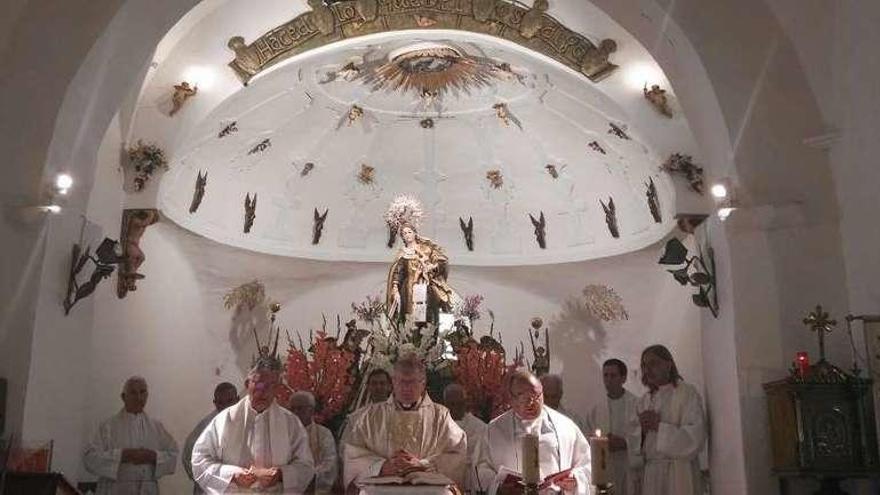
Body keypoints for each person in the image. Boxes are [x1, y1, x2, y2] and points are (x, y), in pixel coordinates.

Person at [191, 352, 315, 493]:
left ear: (278, 388)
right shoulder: (224, 420)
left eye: (271, 386)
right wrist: (231, 475)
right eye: (260, 385)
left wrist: (281, 474)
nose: (265, 392)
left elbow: (306, 465)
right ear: (247, 383)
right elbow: (199, 460)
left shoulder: (290, 423)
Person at [344, 353, 467, 492]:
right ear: (393, 382)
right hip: (381, 485)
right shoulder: (370, 416)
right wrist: (382, 466)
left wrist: (424, 464)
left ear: (423, 383)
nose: (406, 388)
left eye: (412, 382)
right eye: (402, 381)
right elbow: (353, 452)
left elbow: (457, 451)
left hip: (428, 485)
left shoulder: (441, 416)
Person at [475, 370, 591, 495]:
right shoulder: (494, 430)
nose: (530, 403)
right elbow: (481, 468)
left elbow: (586, 463)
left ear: (542, 394)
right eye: (522, 397)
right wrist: (498, 488)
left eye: (535, 396)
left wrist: (576, 480)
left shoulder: (565, 426)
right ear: (511, 399)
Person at [83, 376, 179, 495]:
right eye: (133, 393)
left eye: (142, 392)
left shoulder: (156, 427)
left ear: (147, 395)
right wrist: (122, 455)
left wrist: (153, 456)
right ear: (123, 397)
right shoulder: (107, 427)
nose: (139, 397)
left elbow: (173, 455)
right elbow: (89, 458)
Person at [631, 345, 706, 495]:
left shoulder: (687, 393)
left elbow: (695, 437)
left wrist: (659, 426)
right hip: (652, 473)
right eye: (644, 365)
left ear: (669, 364)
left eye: (653, 363)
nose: (648, 369)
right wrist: (642, 432)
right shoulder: (644, 401)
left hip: (678, 472)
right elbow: (635, 443)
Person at [586, 359, 640, 495]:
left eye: (613, 375)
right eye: (605, 375)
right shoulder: (596, 409)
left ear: (623, 378)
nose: (608, 380)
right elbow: (588, 437)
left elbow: (644, 436)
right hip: (605, 468)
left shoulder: (637, 405)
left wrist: (625, 442)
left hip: (628, 466)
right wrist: (599, 442)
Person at [385, 223, 455, 325]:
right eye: (404, 233)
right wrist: (395, 289)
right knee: (410, 314)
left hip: (424, 285)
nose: (407, 235)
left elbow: (441, 261)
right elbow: (398, 272)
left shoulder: (425, 249)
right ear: (402, 237)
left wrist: (432, 267)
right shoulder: (403, 253)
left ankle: (427, 335)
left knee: (426, 314)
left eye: (410, 232)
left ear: (415, 233)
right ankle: (411, 336)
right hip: (408, 288)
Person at [182, 382, 239, 494]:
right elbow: (188, 457)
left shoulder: (247, 422)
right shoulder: (205, 427)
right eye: (221, 403)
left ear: (237, 399)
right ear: (215, 403)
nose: (226, 406)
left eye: (230, 401)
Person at [288, 391, 337, 495]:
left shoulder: (323, 434)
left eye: (300, 408)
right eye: (292, 409)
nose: (295, 412)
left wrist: (307, 477)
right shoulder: (283, 433)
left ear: (311, 410)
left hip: (313, 487)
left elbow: (329, 463)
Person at [443, 383, 487, 494]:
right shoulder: (435, 426)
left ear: (466, 403)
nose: (455, 407)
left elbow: (483, 460)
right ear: (445, 404)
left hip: (470, 481)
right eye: (451, 404)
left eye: (460, 403)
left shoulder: (480, 428)